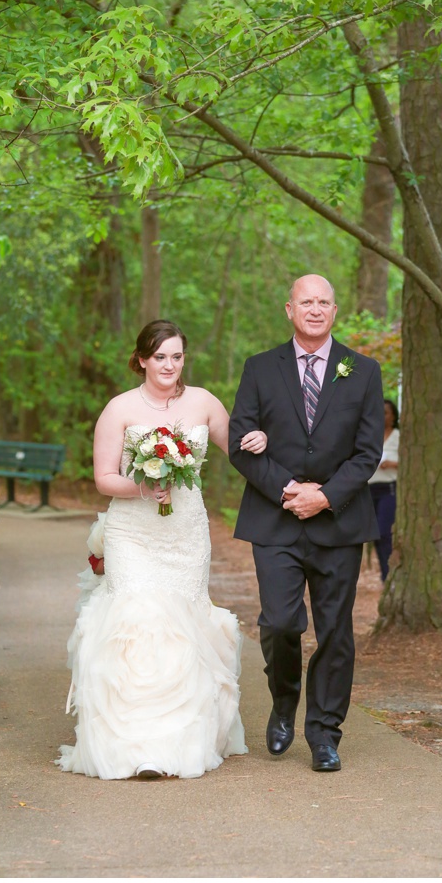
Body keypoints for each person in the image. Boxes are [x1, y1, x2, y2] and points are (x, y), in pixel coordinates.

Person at [57, 319, 267, 780]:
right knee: (136, 625)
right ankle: (133, 746)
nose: (169, 365)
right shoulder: (119, 409)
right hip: (134, 532)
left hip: (185, 533)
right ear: (142, 360)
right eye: (160, 357)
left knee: (182, 627)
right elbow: (104, 479)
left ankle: (177, 742)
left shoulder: (204, 402)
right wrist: (142, 487)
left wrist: (260, 439)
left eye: (176, 356)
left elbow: (240, 452)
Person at [228, 274, 383, 773]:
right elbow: (239, 440)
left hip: (339, 523)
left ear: (334, 312)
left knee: (336, 632)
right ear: (289, 309)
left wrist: (326, 496)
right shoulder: (259, 368)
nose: (315, 309)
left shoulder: (362, 370)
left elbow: (368, 452)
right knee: (278, 623)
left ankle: (324, 732)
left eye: (324, 302)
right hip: (275, 519)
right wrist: (288, 491)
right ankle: (282, 703)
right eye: (306, 302)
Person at [368, 399, 400, 580]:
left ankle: (390, 575)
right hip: (369, 490)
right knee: (375, 535)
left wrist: (393, 464)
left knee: (384, 532)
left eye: (386, 412)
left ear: (393, 416)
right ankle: (385, 576)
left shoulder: (398, 436)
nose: (382, 416)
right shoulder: (371, 435)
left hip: (388, 489)